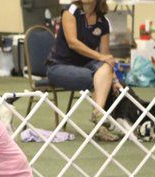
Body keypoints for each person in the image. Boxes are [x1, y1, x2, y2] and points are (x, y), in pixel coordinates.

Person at [46, 0, 121, 142]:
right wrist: (100, 56)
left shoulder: (103, 22)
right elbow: (73, 43)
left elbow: (106, 58)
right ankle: (101, 124)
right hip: (58, 67)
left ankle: (98, 115)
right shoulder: (70, 11)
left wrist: (114, 79)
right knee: (96, 77)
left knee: (105, 70)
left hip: (85, 67)